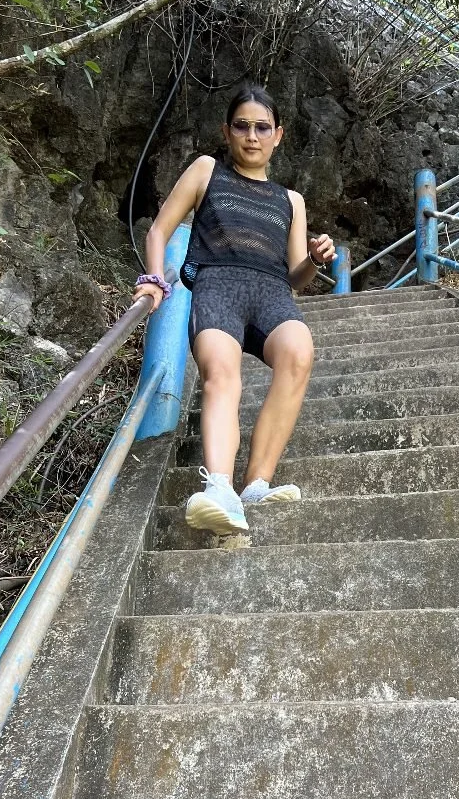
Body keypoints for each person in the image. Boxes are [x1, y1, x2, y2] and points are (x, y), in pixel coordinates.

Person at [132, 82, 336, 535]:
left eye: (262, 128)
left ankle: (256, 483)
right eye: (242, 126)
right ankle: (219, 488)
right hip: (217, 285)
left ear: (278, 135)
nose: (252, 136)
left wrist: (315, 262)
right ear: (227, 132)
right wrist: (154, 280)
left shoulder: (291, 200)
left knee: (299, 351)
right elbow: (159, 231)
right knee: (221, 372)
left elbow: (294, 278)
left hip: (271, 294)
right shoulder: (207, 171)